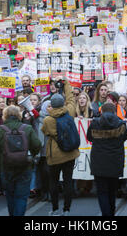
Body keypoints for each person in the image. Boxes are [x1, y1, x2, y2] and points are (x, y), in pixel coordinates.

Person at [0, 106, 41, 216]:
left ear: (5, 116)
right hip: (25, 166)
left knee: (10, 195)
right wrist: (31, 155)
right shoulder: (27, 128)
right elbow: (37, 145)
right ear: (19, 115)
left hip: (6, 167)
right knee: (21, 197)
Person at [41, 79, 79, 216]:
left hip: (55, 155)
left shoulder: (48, 120)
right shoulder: (70, 111)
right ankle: (67, 209)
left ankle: (55, 208)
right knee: (68, 181)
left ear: (51, 105)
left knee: (54, 181)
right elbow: (71, 99)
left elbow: (44, 131)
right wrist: (66, 84)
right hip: (70, 153)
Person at [87, 102, 127, 216]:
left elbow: (89, 137)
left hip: (99, 161)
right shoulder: (121, 124)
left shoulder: (95, 123)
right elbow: (126, 136)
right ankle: (112, 212)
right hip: (115, 161)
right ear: (114, 112)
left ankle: (106, 215)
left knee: (102, 191)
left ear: (102, 111)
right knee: (112, 190)